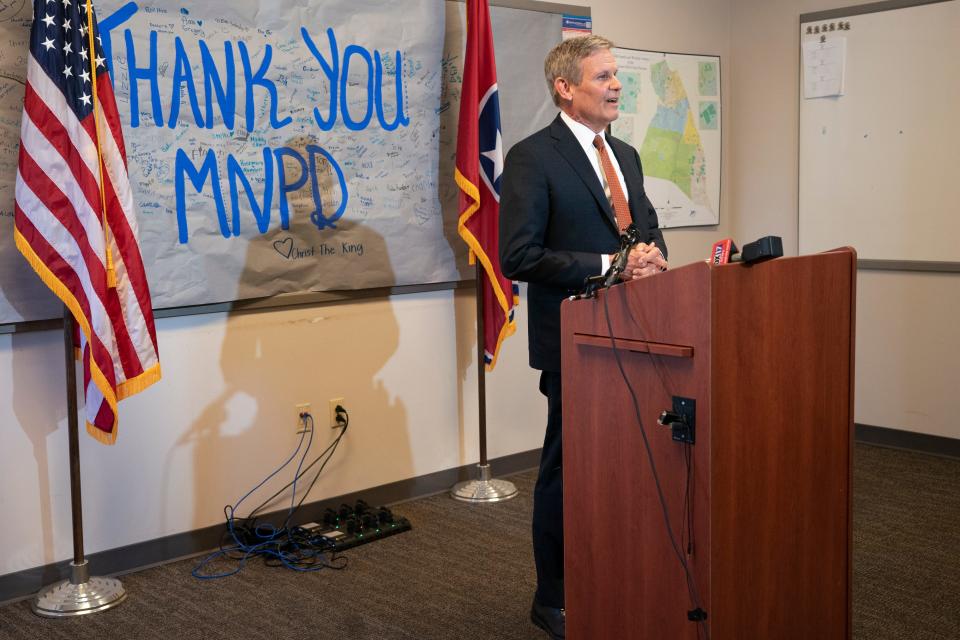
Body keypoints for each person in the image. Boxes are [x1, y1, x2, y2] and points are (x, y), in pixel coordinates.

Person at [498, 35, 668, 640]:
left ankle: (615, 574)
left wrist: (650, 257)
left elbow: (646, 229)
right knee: (567, 471)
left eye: (617, 75)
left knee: (627, 468)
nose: (616, 85)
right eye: (603, 77)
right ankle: (555, 598)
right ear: (565, 88)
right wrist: (609, 265)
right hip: (574, 342)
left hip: (637, 336)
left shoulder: (625, 153)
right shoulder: (531, 157)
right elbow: (519, 254)